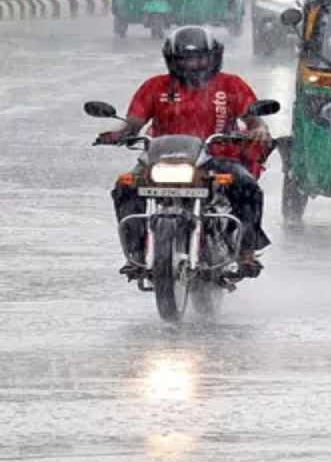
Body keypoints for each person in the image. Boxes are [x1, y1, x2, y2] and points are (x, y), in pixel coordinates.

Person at [96, 26, 273, 279]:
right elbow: (133, 122)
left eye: (200, 58)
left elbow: (254, 121)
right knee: (125, 187)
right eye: (186, 59)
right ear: (172, 60)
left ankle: (246, 251)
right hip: (161, 158)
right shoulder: (155, 86)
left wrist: (260, 130)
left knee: (247, 187)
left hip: (217, 158)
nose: (194, 65)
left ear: (214, 57)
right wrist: (115, 133)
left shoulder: (231, 84)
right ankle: (134, 253)